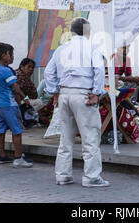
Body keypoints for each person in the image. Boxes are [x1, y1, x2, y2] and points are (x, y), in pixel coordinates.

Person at [44, 17, 109, 187]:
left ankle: (63, 175)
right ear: (88, 32)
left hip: (65, 94)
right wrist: (96, 92)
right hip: (83, 95)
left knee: (65, 138)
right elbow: (99, 70)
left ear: (71, 31)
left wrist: (55, 92)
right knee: (90, 138)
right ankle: (91, 177)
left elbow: (48, 73)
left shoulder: (60, 49)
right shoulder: (93, 48)